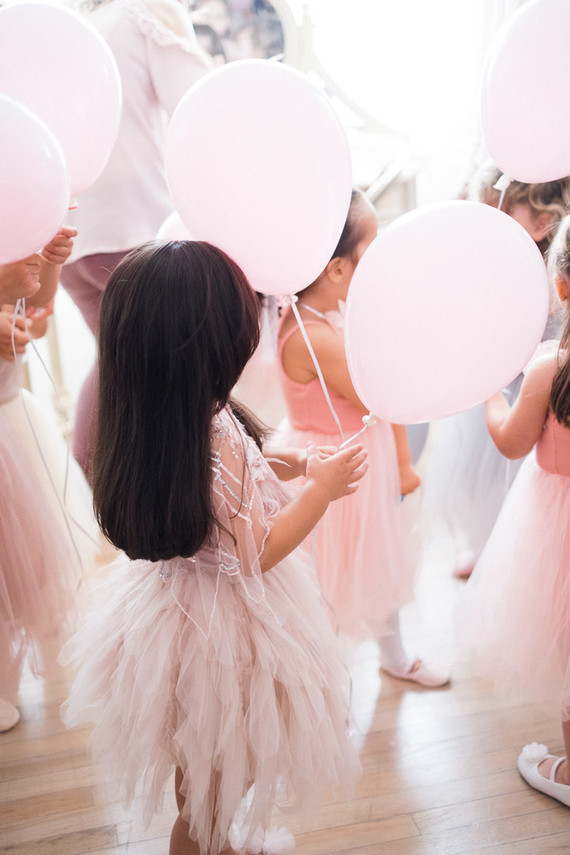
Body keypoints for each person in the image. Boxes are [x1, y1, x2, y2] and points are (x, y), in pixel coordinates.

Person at [60, 240, 366, 855]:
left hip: (181, 609)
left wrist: (300, 459)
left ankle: (216, 839)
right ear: (208, 348)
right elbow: (258, 547)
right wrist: (322, 491)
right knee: (219, 771)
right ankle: (205, 843)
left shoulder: (172, 414)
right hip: (223, 624)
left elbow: (249, 458)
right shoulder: (205, 436)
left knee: (206, 763)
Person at [276, 189, 450, 688]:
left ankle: (393, 655)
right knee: (333, 576)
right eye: (371, 248)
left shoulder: (334, 312)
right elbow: (380, 393)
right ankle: (327, 680)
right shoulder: (316, 337)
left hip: (359, 454)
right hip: (334, 468)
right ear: (335, 270)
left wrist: (399, 461)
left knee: (380, 562)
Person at [61, 0, 210, 477]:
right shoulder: (144, 14)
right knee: (177, 373)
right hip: (139, 226)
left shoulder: (76, 26)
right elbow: (199, 108)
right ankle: (180, 502)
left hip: (71, 235)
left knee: (115, 367)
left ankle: (94, 505)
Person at [457, 213, 570, 806]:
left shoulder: (551, 367)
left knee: (566, 643)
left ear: (562, 286)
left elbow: (510, 442)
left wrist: (487, 397)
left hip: (558, 523)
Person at [422, 162, 570, 578]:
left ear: (542, 220)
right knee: (479, 467)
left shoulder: (556, 272)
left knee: (532, 468)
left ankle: (515, 547)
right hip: (498, 382)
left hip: (542, 383)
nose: (492, 223)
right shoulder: (494, 260)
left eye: (501, 212)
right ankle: (485, 541)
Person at [0, 228, 98, 734]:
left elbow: (35, 306)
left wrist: (51, 264)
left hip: (14, 423)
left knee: (21, 571)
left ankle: (6, 678)